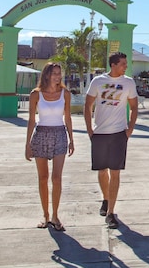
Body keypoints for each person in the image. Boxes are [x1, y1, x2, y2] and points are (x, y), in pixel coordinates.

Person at [84, 52, 139, 230]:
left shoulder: (129, 83)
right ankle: (106, 199)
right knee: (102, 171)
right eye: (123, 64)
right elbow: (88, 105)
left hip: (118, 134)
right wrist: (89, 130)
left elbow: (134, 106)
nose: (125, 67)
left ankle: (111, 213)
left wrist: (129, 129)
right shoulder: (97, 81)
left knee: (115, 172)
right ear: (113, 65)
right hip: (100, 132)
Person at [25, 62, 74, 231]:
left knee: (57, 178)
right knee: (43, 178)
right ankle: (45, 215)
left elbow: (67, 118)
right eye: (54, 73)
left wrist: (71, 139)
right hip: (41, 135)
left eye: (59, 73)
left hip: (60, 134)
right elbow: (31, 120)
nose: (57, 76)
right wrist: (27, 144)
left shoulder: (65, 94)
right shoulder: (35, 94)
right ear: (46, 75)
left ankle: (55, 215)